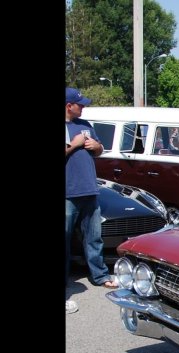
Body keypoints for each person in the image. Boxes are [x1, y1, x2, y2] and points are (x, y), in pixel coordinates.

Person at [66, 87, 116, 314]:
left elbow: (99, 149)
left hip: (89, 190)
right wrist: (74, 145)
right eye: (80, 104)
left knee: (94, 238)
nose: (83, 106)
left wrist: (97, 147)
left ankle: (100, 275)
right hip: (68, 194)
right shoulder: (70, 130)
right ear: (69, 106)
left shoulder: (85, 125)